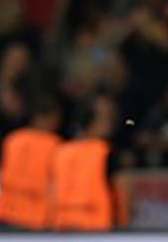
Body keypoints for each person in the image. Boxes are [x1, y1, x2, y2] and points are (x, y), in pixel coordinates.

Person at [51, 96, 123, 231]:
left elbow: (50, 191)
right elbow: (122, 190)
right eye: (107, 118)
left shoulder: (60, 151)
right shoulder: (105, 152)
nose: (111, 123)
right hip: (98, 227)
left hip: (63, 226)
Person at [0, 99, 63, 230]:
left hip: (7, 212)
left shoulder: (12, 139)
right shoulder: (54, 144)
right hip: (37, 216)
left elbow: (0, 173)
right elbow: (54, 185)